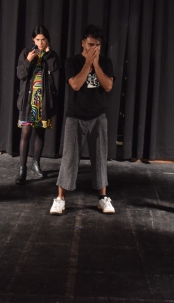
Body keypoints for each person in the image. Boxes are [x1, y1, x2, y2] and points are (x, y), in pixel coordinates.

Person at [50, 24, 114, 215]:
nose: (94, 48)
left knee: (100, 158)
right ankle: (60, 199)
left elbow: (108, 86)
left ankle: (103, 198)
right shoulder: (73, 61)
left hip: (98, 116)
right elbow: (76, 85)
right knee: (69, 158)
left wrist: (96, 65)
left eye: (98, 45)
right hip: (76, 116)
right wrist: (87, 63)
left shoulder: (106, 62)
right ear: (83, 43)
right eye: (91, 44)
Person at [15, 25, 60, 184]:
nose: (40, 43)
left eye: (43, 39)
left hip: (43, 101)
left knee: (40, 134)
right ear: (33, 40)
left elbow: (55, 68)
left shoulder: (51, 55)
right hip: (28, 101)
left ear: (47, 40)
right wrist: (28, 60)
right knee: (25, 134)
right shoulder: (26, 53)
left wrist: (47, 54)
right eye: (38, 39)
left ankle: (36, 164)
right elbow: (20, 74)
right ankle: (22, 170)